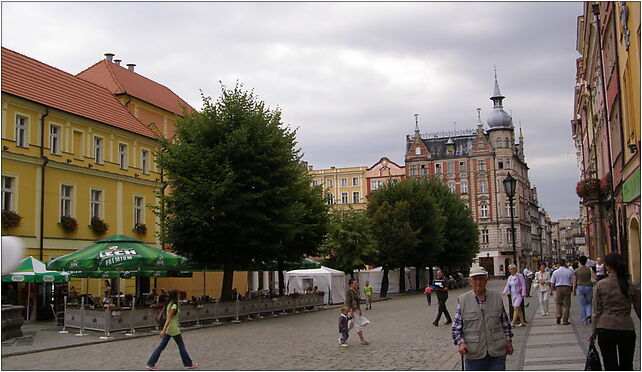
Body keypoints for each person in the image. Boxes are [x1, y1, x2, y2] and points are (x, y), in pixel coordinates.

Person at [452, 266, 514, 370]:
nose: (478, 282)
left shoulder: (497, 298)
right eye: (475, 279)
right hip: (474, 353)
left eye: (481, 279)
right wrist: (461, 343)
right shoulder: (463, 301)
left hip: (497, 351)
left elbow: (505, 324)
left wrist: (509, 342)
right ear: (470, 281)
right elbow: (456, 328)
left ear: (486, 280)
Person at [590, 252, 641, 370]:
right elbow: (639, 309)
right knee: (627, 365)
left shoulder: (601, 285)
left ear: (607, 267)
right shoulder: (630, 285)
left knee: (609, 365)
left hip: (605, 328)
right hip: (626, 327)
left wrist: (593, 332)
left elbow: (597, 311)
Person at [146, 289, 198, 370]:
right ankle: (188, 363)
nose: (179, 296)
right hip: (173, 329)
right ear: (176, 296)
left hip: (169, 329)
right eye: (178, 295)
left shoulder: (169, 304)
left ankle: (151, 363)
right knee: (181, 346)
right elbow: (169, 319)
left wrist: (165, 329)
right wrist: (163, 330)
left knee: (161, 346)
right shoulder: (174, 306)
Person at [549, 258, 574, 325]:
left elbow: (552, 282)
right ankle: (565, 320)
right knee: (567, 305)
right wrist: (573, 289)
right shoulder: (569, 271)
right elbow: (572, 281)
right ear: (565, 263)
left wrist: (551, 290)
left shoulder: (555, 272)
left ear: (559, 264)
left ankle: (558, 314)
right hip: (567, 287)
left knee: (558, 303)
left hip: (558, 288)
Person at [344, 278, 369, 345]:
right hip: (352, 310)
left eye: (356, 283)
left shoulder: (355, 290)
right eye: (355, 283)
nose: (356, 284)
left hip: (356, 309)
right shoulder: (349, 291)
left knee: (349, 325)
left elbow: (357, 302)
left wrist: (359, 310)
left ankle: (342, 338)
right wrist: (351, 311)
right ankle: (362, 340)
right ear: (351, 284)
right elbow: (348, 302)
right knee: (358, 324)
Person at [572, 255, 593, 325]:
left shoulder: (576, 270)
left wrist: (574, 290)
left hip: (580, 287)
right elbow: (594, 277)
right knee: (589, 302)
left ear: (579, 262)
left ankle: (584, 320)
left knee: (582, 304)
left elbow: (574, 280)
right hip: (588, 286)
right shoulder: (589, 269)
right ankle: (589, 314)